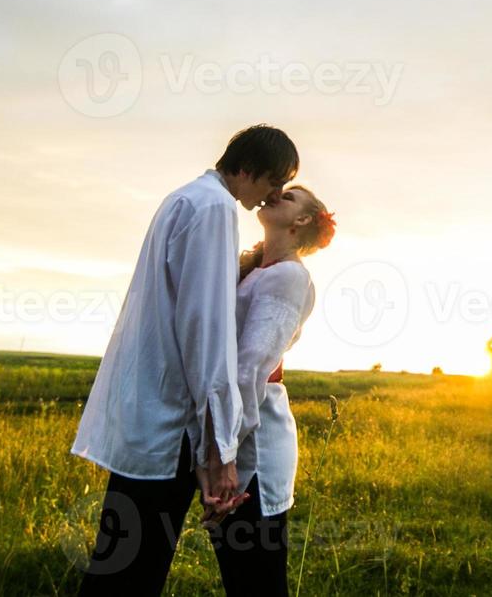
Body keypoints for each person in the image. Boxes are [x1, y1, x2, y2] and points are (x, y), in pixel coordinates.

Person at [72, 124, 299, 596]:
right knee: (132, 569)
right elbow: (205, 329)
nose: (273, 195)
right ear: (248, 167)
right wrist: (222, 447)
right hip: (170, 420)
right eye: (275, 180)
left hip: (149, 411)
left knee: (120, 561)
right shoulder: (215, 208)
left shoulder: (186, 197)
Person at [203, 184, 335, 597]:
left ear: (301, 221)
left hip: (254, 444)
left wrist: (219, 452)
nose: (277, 193)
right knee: (238, 575)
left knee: (258, 579)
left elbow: (249, 369)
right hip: (233, 436)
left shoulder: (290, 276)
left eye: (291, 196)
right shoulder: (257, 270)